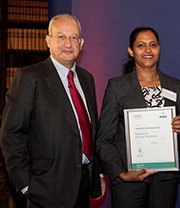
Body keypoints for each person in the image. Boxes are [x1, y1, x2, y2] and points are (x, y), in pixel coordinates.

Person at [0, 14, 105, 207]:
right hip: (45, 189)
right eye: (61, 36)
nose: (68, 43)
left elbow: (90, 130)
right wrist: (25, 185)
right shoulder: (29, 77)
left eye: (73, 37)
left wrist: (96, 173)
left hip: (83, 185)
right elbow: (11, 135)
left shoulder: (87, 78)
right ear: (48, 41)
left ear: (81, 43)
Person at [96, 26, 180, 208]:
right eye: (141, 45)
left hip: (165, 180)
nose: (148, 50)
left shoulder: (176, 87)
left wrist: (178, 133)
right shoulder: (117, 87)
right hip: (129, 178)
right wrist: (121, 173)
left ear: (159, 48)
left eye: (153, 45)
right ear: (131, 51)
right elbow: (103, 140)